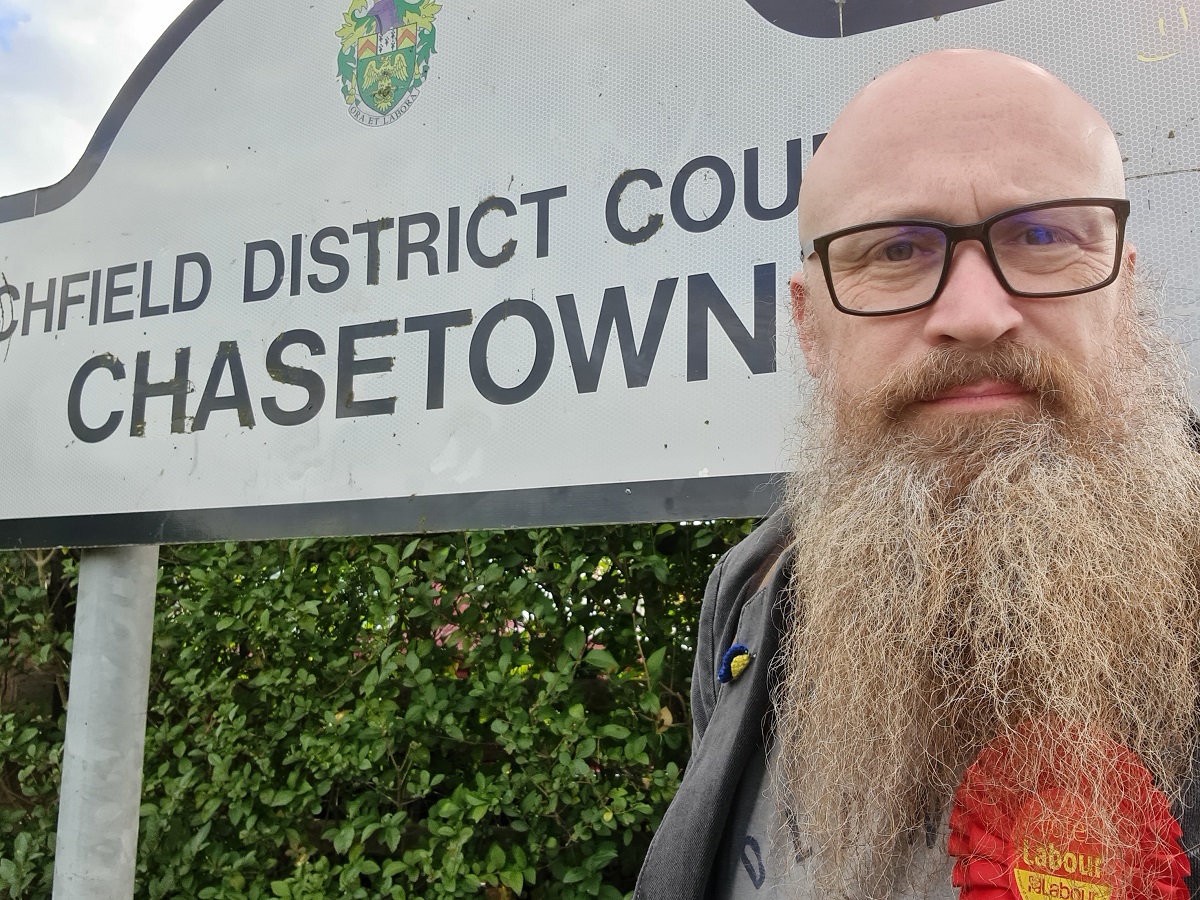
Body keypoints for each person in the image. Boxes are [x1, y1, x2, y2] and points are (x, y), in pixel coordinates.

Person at [634, 49, 1200, 899]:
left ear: (1121, 292)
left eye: (1043, 236)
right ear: (809, 327)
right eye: (895, 250)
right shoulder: (753, 591)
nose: (975, 316)